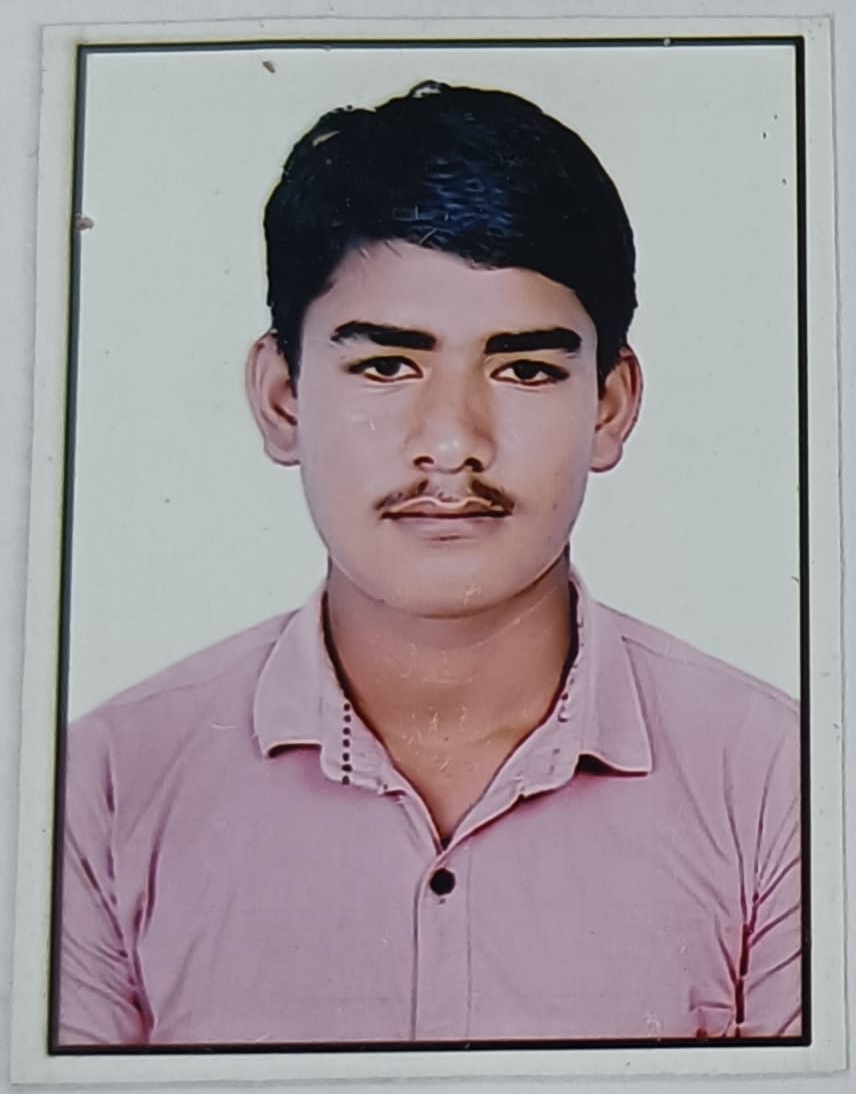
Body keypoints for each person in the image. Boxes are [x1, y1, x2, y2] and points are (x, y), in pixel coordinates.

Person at [57, 80, 801, 1047]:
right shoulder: (100, 788)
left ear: (610, 406)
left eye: (524, 368)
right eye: (386, 365)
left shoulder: (783, 783)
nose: (451, 442)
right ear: (282, 399)